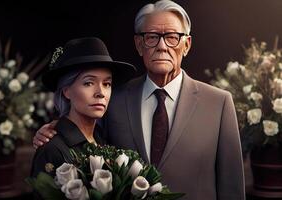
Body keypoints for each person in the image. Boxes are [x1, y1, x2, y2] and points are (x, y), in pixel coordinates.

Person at [33, 0, 245, 199]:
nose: (162, 46)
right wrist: (55, 129)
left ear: (187, 45)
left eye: (172, 36)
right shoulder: (113, 99)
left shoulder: (219, 103)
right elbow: (84, 140)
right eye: (152, 36)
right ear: (139, 44)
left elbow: (232, 188)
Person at [31, 37, 136, 178]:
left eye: (107, 84)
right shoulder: (51, 149)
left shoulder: (100, 139)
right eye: (88, 83)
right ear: (66, 91)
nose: (100, 93)